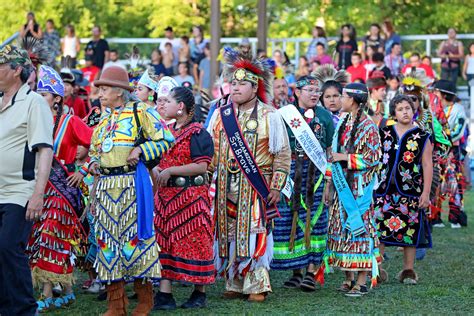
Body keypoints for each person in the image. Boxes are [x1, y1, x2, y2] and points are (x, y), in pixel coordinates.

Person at [89, 66, 175, 315]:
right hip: (105, 187)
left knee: (136, 240)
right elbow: (95, 148)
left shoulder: (141, 112)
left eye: (104, 89)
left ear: (119, 91)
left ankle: (145, 300)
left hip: (131, 186)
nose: (100, 93)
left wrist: (141, 151)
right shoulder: (105, 117)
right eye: (100, 89)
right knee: (107, 242)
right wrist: (94, 163)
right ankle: (116, 304)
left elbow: (166, 139)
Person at [208, 48, 291, 302]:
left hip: (256, 187)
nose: (235, 88)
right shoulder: (221, 115)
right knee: (228, 232)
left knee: (255, 232)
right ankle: (234, 280)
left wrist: (276, 187)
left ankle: (257, 283)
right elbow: (211, 151)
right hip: (225, 186)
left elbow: (283, 155)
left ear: (254, 88)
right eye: (233, 83)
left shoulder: (270, 116)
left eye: (242, 83)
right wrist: (208, 176)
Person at [28, 65, 93, 311]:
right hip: (38, 188)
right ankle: (66, 290)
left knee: (51, 237)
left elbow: (99, 143)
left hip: (62, 190)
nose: (38, 98)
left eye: (43, 95)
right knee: (44, 238)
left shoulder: (70, 122)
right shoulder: (33, 122)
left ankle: (46, 293)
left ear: (56, 99)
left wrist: (83, 170)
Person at [0, 45, 53, 316]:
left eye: (0, 65)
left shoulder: (34, 103)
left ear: (16, 70)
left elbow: (44, 149)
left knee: (8, 247)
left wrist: (38, 194)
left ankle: (23, 310)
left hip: (18, 191)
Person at [153, 87, 215, 310]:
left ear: (180, 107)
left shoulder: (199, 133)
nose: (163, 105)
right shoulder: (166, 131)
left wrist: (171, 171)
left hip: (191, 199)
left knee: (196, 242)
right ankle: (164, 294)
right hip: (166, 198)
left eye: (167, 101)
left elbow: (201, 166)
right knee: (164, 243)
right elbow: (162, 160)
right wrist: (158, 168)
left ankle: (199, 293)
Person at [271, 74, 334, 292]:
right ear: (297, 92)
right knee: (290, 219)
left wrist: (328, 183)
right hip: (290, 173)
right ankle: (295, 270)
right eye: (310, 91)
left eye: (318, 91)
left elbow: (329, 153)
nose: (315, 95)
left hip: (315, 175)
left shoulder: (325, 117)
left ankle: (311, 271)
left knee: (315, 221)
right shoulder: (283, 115)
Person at [324, 82, 382, 297]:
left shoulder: (368, 126)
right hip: (341, 188)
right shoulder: (342, 123)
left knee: (359, 229)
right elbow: (332, 157)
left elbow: (374, 157)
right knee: (342, 230)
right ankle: (348, 277)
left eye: (343, 96)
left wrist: (346, 158)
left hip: (359, 190)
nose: (339, 100)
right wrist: (329, 185)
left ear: (354, 100)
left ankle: (362, 279)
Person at [375, 94, 433, 285]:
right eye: (400, 109)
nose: (405, 112)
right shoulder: (385, 132)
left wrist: (425, 193)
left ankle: (408, 270)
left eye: (407, 108)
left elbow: (427, 165)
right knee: (380, 228)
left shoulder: (423, 136)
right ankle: (377, 267)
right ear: (393, 113)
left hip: (410, 190)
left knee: (410, 228)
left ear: (413, 110)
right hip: (384, 189)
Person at [433, 80, 468, 228]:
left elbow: (459, 131)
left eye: (436, 91)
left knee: (453, 183)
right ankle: (435, 217)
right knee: (437, 183)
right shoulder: (433, 108)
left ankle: (454, 218)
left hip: (452, 152)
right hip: (437, 152)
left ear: (443, 94)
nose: (434, 94)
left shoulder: (458, 109)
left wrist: (442, 139)